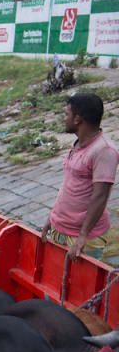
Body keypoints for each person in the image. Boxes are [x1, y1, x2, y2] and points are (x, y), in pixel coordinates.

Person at [41, 92, 119, 260]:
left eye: (66, 114)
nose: (64, 118)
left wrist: (83, 235)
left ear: (77, 119)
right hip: (61, 227)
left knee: (81, 285)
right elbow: (68, 186)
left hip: (83, 238)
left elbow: (100, 196)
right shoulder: (77, 144)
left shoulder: (104, 151)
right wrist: (53, 217)